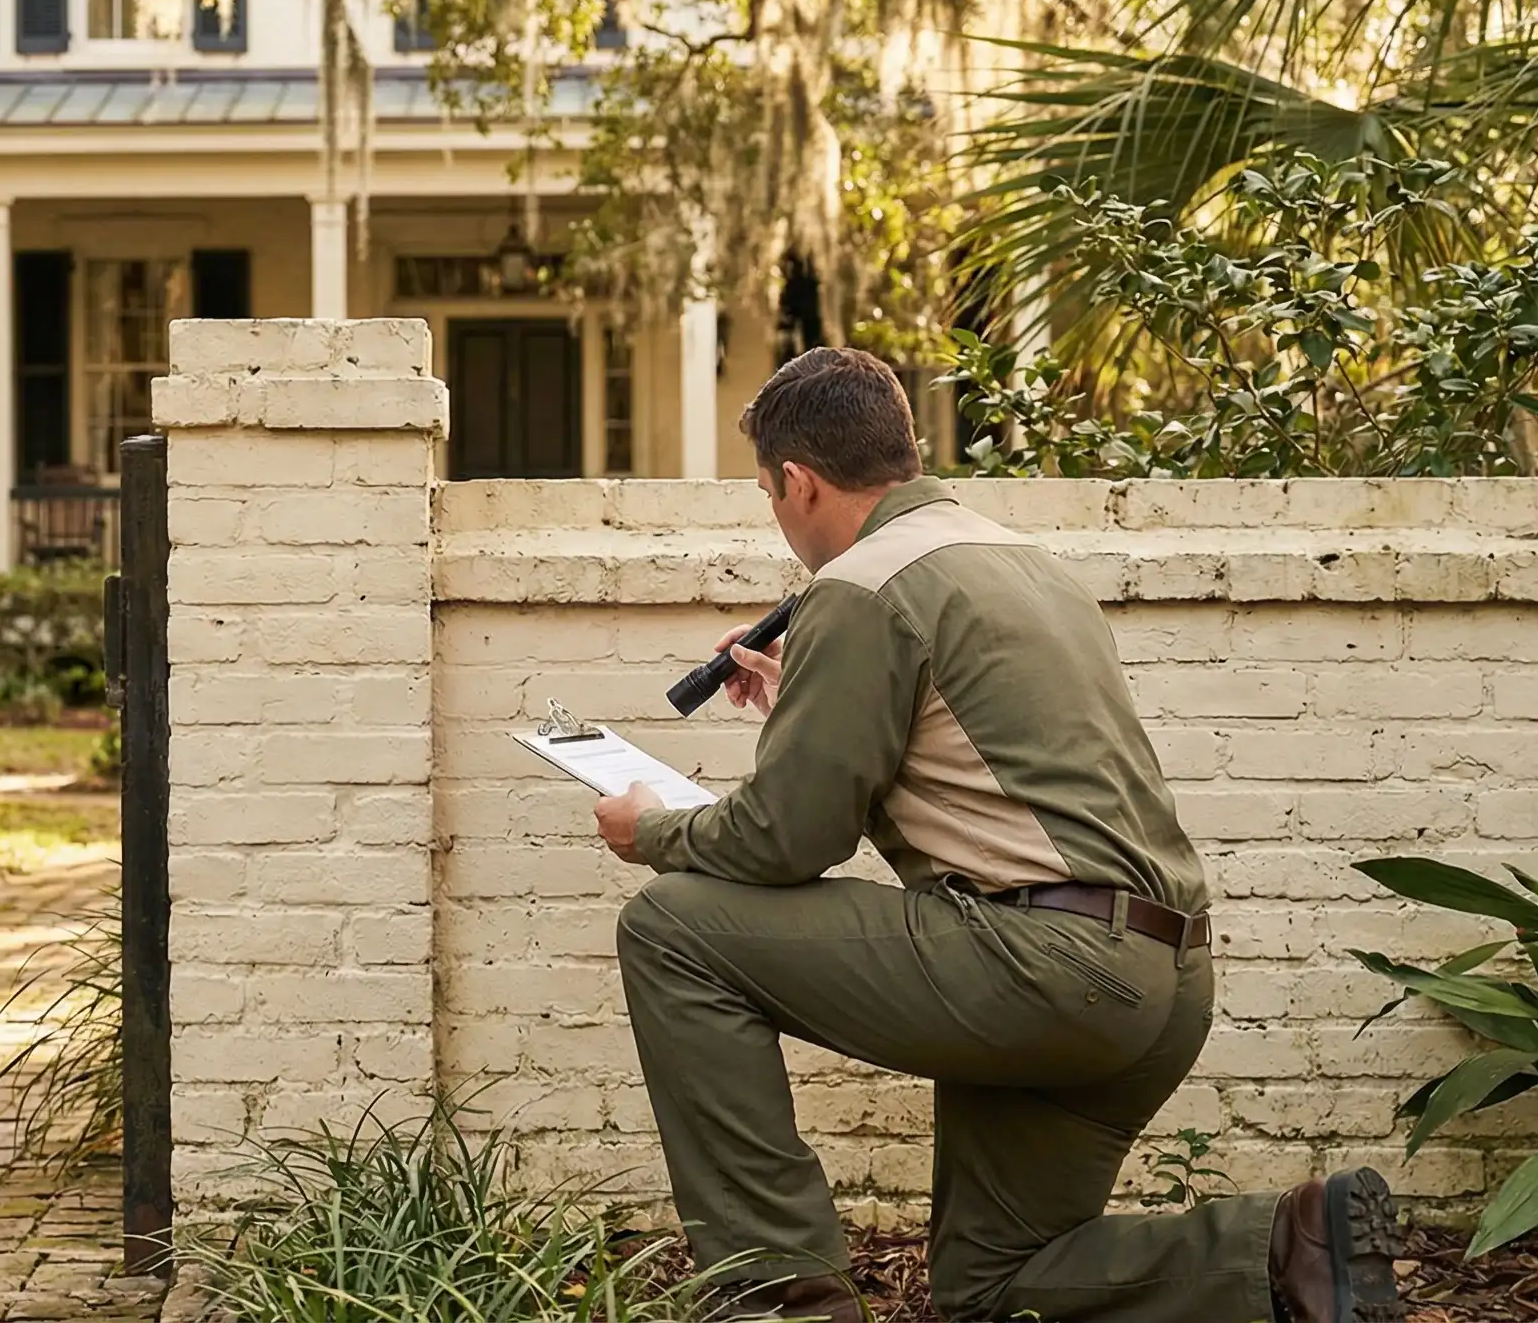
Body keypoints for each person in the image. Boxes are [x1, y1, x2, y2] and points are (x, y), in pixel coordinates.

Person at [589, 346, 1402, 1323]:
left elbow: (785, 841)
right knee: (991, 1288)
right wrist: (795, 703)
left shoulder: (858, 586)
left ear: (797, 483)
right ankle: (1285, 1248)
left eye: (769, 492)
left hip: (1041, 967)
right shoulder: (1016, 562)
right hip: (1161, 975)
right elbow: (975, 767)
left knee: (672, 930)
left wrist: (657, 829)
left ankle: (781, 1302)